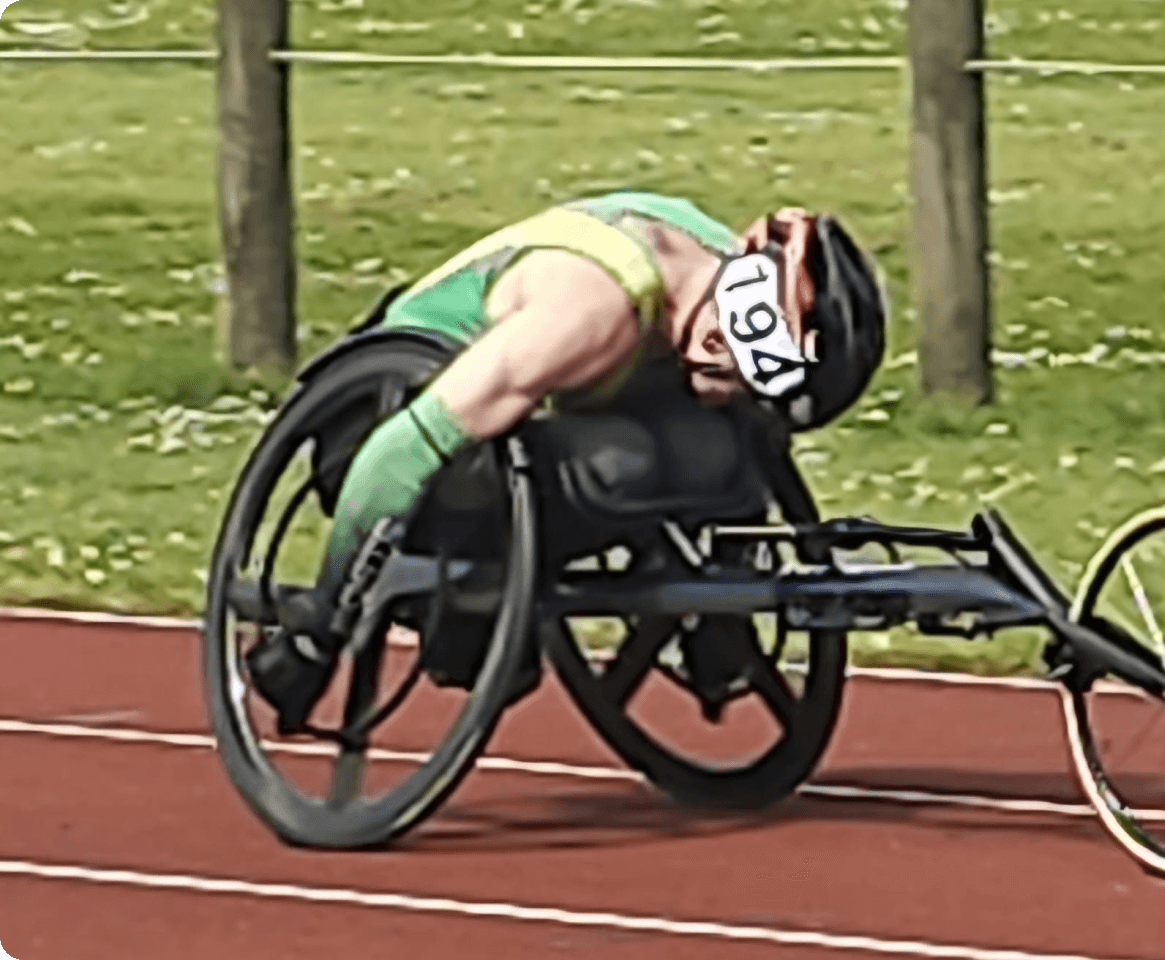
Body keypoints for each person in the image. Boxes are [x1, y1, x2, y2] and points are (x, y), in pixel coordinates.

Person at [247, 190, 887, 732]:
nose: (749, 395)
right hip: (379, 422)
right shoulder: (588, 315)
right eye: (755, 380)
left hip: (529, 418)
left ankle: (700, 623)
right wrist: (323, 626)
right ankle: (474, 603)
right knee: (626, 462)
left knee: (721, 449)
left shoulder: (716, 274)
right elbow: (398, 453)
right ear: (730, 330)